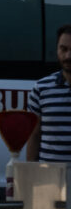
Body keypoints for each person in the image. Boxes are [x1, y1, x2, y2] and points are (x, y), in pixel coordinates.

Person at [31, 24, 71, 164]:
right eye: (63, 49)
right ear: (57, 49)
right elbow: (34, 135)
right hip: (48, 178)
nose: (68, 56)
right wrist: (31, 174)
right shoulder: (41, 88)